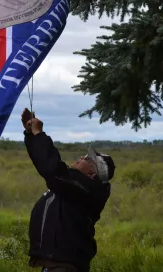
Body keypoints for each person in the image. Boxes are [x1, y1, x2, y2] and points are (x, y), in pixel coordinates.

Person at [22, 108, 115, 272]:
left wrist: (39, 135)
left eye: (87, 159)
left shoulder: (86, 190)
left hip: (64, 267)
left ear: (92, 173)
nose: (81, 157)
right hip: (55, 266)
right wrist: (31, 135)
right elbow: (46, 166)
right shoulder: (75, 187)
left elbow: (53, 170)